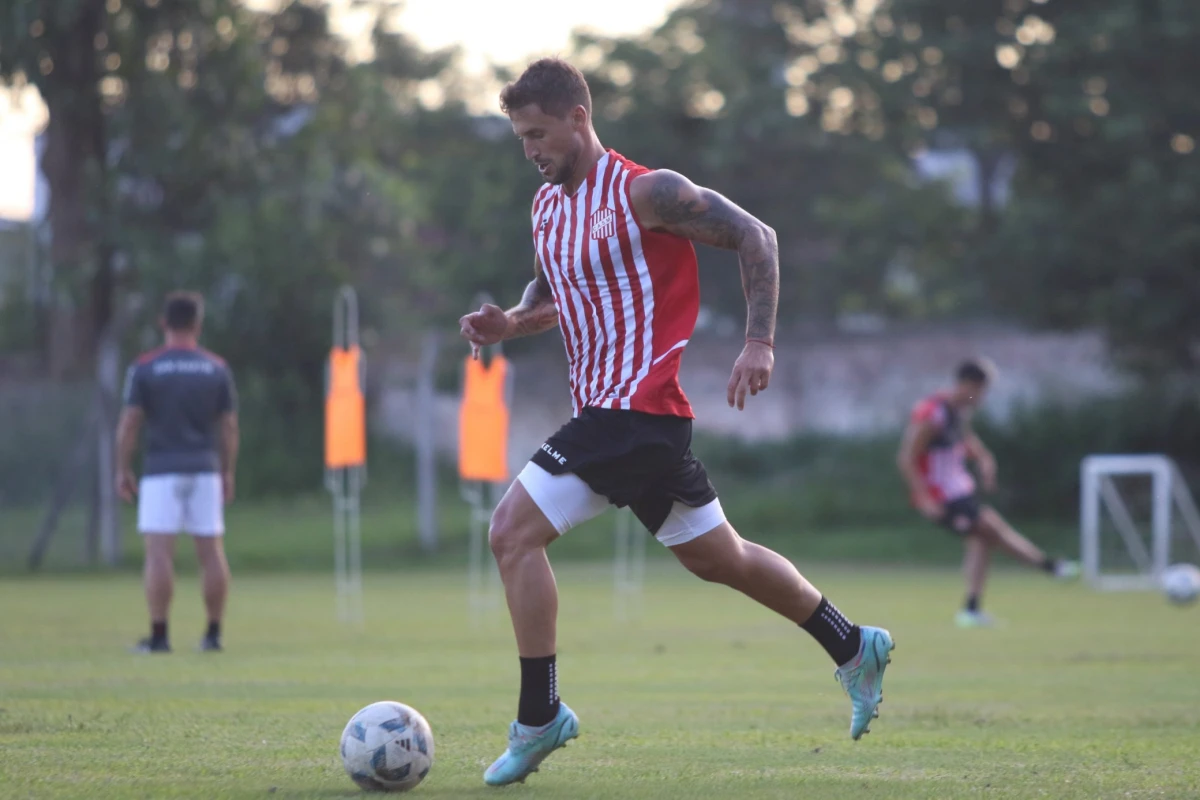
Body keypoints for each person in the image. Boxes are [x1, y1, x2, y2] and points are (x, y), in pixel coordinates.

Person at [459, 58, 894, 788]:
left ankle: (541, 717)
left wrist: (760, 341)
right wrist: (507, 324)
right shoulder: (545, 210)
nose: (530, 150)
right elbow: (554, 299)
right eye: (519, 138)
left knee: (510, 533)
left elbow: (760, 237)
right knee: (719, 558)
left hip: (633, 414)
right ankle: (854, 644)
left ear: (578, 117)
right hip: (621, 421)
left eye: (538, 134)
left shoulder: (645, 191)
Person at [896, 358, 1079, 628]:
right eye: (981, 390)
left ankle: (971, 609)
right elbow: (907, 457)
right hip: (942, 496)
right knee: (991, 529)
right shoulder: (931, 413)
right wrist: (924, 498)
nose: (981, 397)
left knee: (981, 540)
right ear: (968, 385)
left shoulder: (959, 412)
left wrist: (984, 459)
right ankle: (1049, 567)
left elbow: (966, 440)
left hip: (959, 491)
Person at [116, 292, 239, 653]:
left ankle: (159, 637)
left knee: (158, 553)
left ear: (163, 323)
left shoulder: (146, 366)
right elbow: (229, 426)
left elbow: (130, 422)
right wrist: (227, 471)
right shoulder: (216, 367)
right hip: (205, 469)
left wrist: (122, 468)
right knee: (211, 552)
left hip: (161, 471)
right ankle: (213, 634)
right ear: (197, 325)